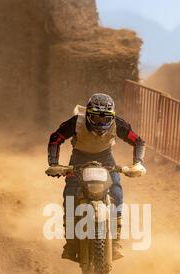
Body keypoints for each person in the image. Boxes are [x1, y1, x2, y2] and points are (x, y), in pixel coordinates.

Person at [47, 93, 146, 261]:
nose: (101, 123)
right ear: (88, 115)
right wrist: (54, 164)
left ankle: (115, 242)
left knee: (116, 192)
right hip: (79, 158)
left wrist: (138, 163)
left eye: (105, 118)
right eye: (96, 118)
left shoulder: (118, 124)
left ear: (112, 116)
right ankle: (71, 244)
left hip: (106, 158)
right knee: (70, 195)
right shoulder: (76, 122)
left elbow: (138, 141)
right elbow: (56, 138)